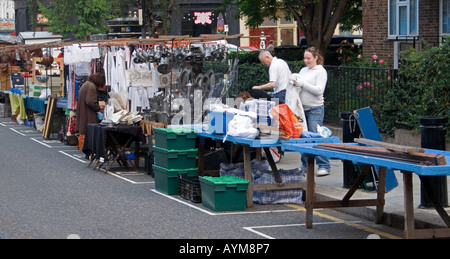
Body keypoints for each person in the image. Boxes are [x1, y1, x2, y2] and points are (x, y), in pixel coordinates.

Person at [292, 47, 331, 177]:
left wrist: (302, 84)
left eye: (309, 58)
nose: (306, 60)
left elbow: (319, 90)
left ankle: (324, 165)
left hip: (315, 109)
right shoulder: (303, 70)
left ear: (316, 57)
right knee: (303, 136)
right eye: (305, 58)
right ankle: (305, 164)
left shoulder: (320, 72)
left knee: (314, 135)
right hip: (302, 109)